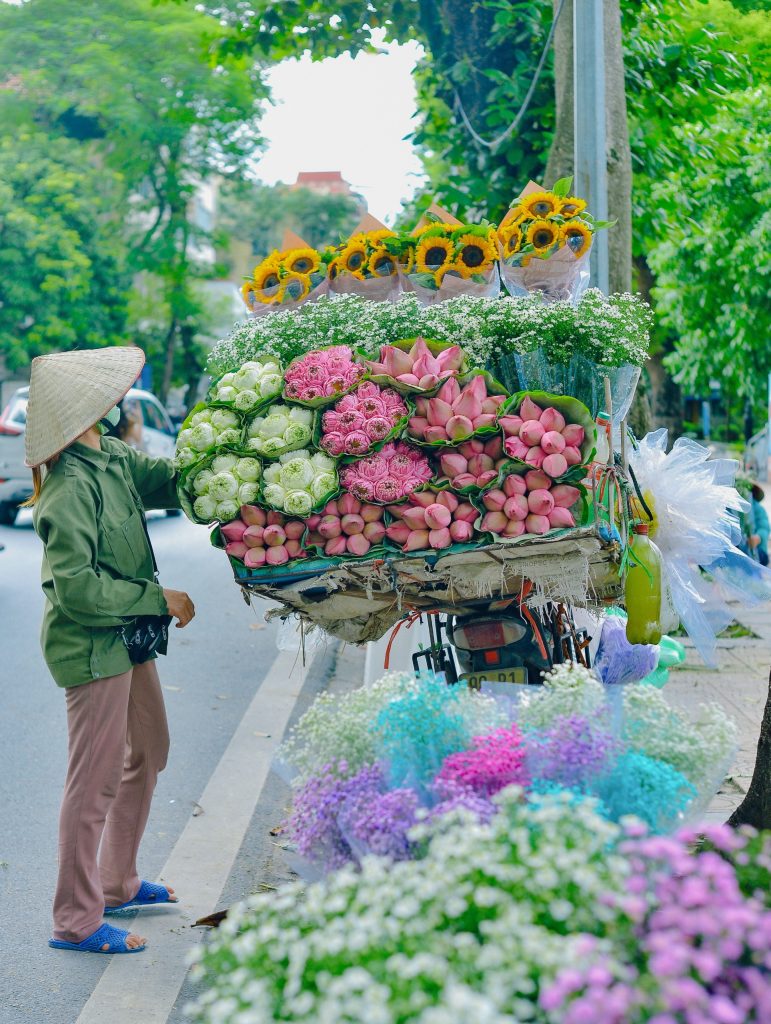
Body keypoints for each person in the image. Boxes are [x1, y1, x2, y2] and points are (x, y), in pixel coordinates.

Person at [23, 347, 195, 955]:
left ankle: (116, 883)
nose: (120, 397)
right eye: (110, 392)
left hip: (127, 635)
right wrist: (157, 598)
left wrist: (230, 459)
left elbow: (169, 481)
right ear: (86, 408)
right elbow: (75, 589)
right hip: (93, 645)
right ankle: (75, 918)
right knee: (91, 783)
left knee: (148, 748)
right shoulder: (68, 487)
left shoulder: (112, 456)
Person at [749, 483, 769, 567]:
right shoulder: (732, 507)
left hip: (756, 547)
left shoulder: (758, 508)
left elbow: (764, 527)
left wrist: (758, 537)